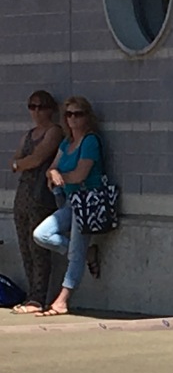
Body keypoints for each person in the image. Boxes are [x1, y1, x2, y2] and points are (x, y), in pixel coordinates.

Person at [31, 96, 105, 317]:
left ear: (87, 116)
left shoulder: (90, 141)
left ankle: (62, 300)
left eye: (78, 114)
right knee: (41, 234)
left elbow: (80, 174)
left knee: (75, 252)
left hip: (87, 201)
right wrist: (52, 173)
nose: (73, 118)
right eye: (69, 114)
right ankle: (86, 254)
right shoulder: (66, 142)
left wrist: (59, 177)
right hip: (69, 201)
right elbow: (52, 168)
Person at [9, 90, 63, 314]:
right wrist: (20, 163)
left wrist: (20, 164)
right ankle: (32, 293)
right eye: (32, 106)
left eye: (42, 107)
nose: (37, 112)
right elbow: (15, 159)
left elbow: (38, 158)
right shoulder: (29, 134)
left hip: (41, 195)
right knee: (25, 247)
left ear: (51, 109)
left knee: (37, 246)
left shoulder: (54, 131)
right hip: (23, 193)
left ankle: (38, 298)